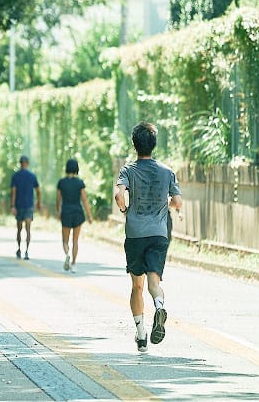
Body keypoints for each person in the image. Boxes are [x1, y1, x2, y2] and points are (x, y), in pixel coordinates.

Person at [115, 121, 183, 353]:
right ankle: (159, 305)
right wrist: (167, 204)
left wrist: (125, 210)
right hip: (158, 234)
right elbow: (177, 202)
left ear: (135, 145)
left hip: (135, 234)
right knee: (154, 282)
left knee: (137, 286)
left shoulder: (128, 170)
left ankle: (141, 335)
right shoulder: (167, 172)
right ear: (153, 145)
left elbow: (119, 196)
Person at [56, 158, 92, 272]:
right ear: (76, 168)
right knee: (75, 240)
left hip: (66, 212)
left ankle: (67, 254)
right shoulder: (80, 183)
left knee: (65, 241)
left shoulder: (61, 182)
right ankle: (74, 264)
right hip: (78, 213)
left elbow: (58, 200)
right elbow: (85, 200)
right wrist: (89, 215)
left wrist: (58, 211)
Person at [10, 155, 41, 260]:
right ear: (27, 163)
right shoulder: (32, 176)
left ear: (20, 163)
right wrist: (38, 203)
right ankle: (27, 251)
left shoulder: (15, 176)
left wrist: (13, 206)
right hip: (29, 206)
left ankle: (19, 249)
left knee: (19, 229)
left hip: (19, 206)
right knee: (28, 229)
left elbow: (13, 192)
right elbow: (38, 190)